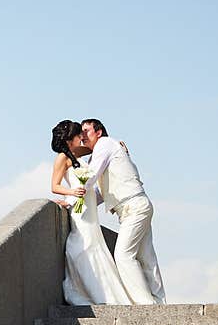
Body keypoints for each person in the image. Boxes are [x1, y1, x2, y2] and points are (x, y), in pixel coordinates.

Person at [79, 118, 166, 305]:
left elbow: (90, 177)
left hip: (134, 206)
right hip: (132, 207)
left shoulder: (104, 144)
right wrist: (74, 204)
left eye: (86, 131)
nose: (82, 136)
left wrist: (72, 193)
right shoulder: (99, 154)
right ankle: (159, 304)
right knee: (146, 258)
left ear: (99, 132)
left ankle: (145, 305)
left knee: (124, 255)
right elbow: (99, 194)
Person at [50, 120, 132, 305]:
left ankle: (105, 292)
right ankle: (92, 292)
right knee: (83, 244)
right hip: (80, 206)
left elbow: (93, 148)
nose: (83, 137)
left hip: (89, 205)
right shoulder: (61, 158)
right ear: (71, 138)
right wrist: (72, 193)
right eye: (80, 135)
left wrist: (115, 143)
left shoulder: (75, 153)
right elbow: (54, 186)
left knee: (95, 245)